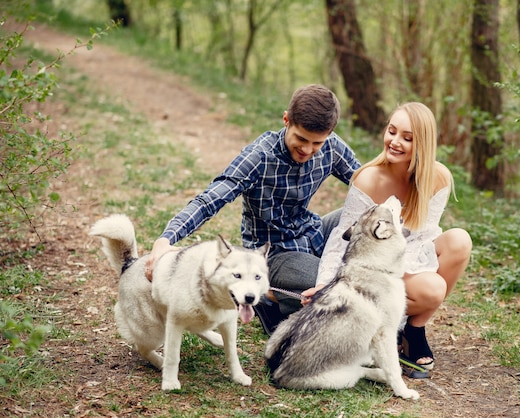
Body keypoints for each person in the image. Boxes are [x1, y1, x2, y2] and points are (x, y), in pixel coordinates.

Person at [144, 84, 361, 334]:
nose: (307, 150)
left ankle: (295, 295)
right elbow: (209, 201)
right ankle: (269, 297)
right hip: (273, 252)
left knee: (368, 218)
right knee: (335, 285)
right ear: (286, 120)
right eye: (301, 139)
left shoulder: (331, 146)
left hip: (312, 230)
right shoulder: (259, 157)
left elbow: (367, 184)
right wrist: (165, 240)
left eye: (317, 143)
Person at [302, 102, 472, 379]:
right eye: (392, 132)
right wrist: (324, 284)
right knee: (432, 288)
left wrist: (409, 271)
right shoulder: (369, 179)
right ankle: (382, 328)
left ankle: (414, 330)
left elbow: (426, 235)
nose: (394, 142)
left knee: (459, 241)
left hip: (407, 256)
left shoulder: (438, 177)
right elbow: (342, 239)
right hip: (373, 270)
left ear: (424, 143)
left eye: (407, 138)